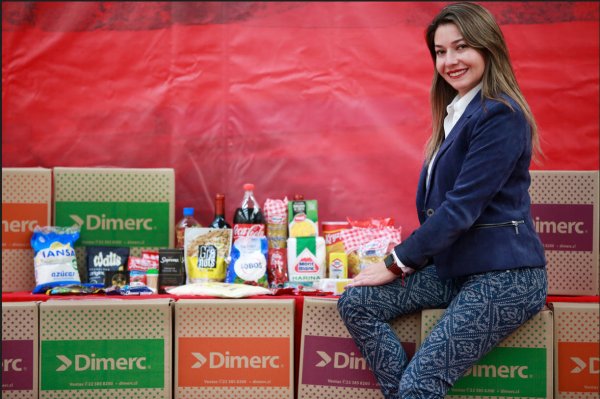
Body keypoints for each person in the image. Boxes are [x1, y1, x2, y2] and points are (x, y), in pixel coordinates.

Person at [337, 3, 547, 399]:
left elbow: (460, 209)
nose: (449, 60)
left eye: (461, 47)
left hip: (506, 277)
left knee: (421, 383)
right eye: (440, 51)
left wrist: (397, 262)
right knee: (357, 301)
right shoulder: (456, 113)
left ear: (488, 49)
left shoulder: (500, 114)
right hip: (457, 269)